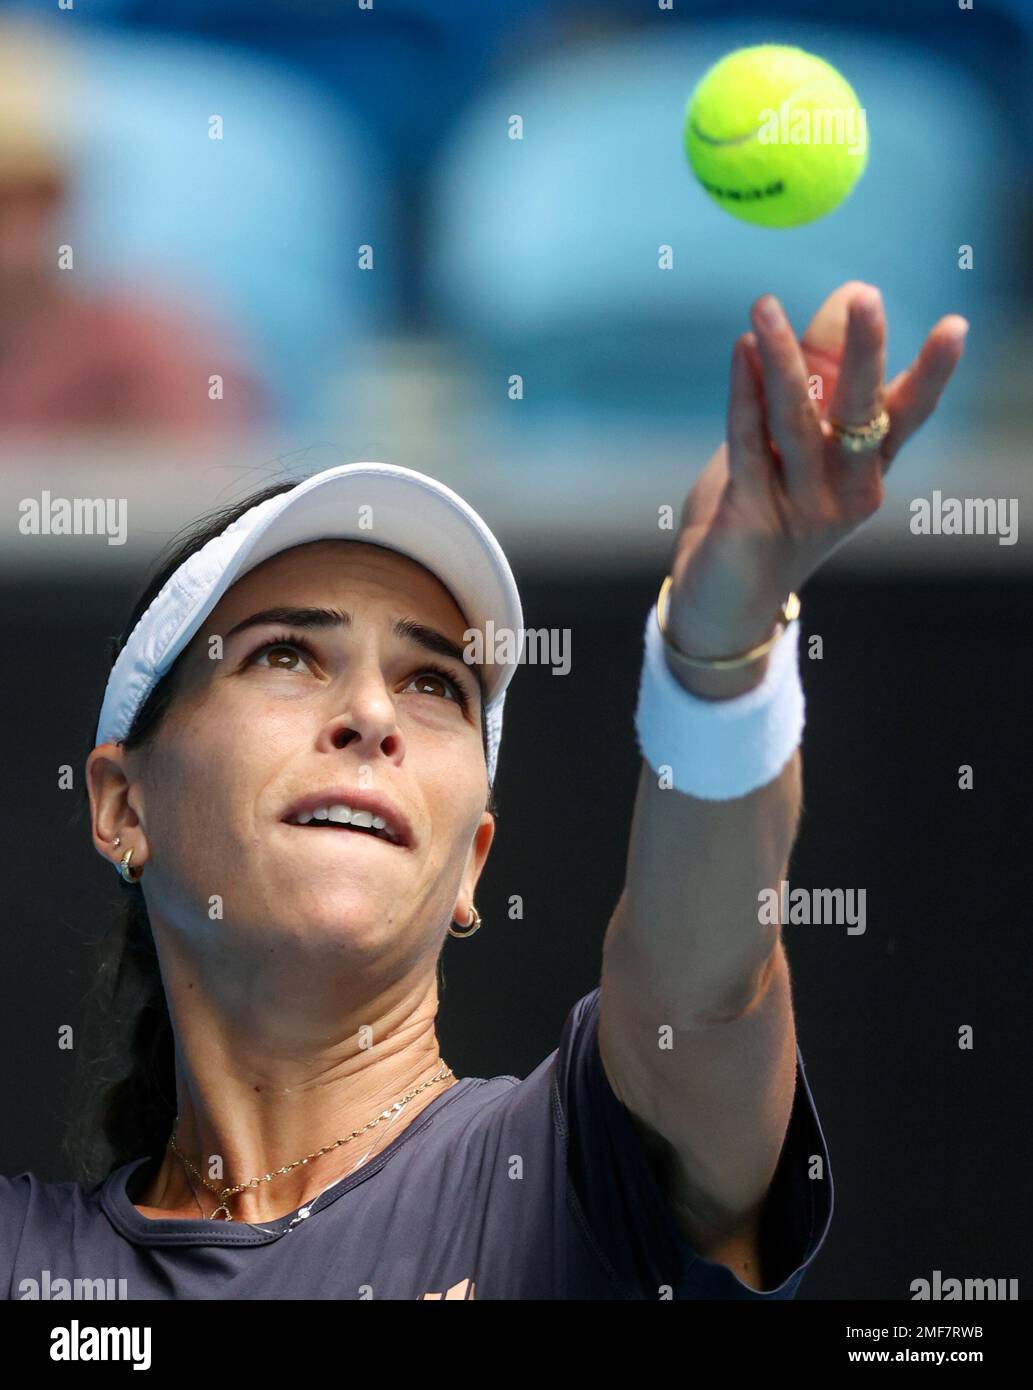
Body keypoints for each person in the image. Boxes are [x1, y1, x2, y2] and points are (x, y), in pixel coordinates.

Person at [0, 281, 966, 1300]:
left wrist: (721, 648)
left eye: (433, 683)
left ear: (472, 862)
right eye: (284, 655)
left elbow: (708, 985)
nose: (371, 714)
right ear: (123, 806)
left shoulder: (575, 1171)